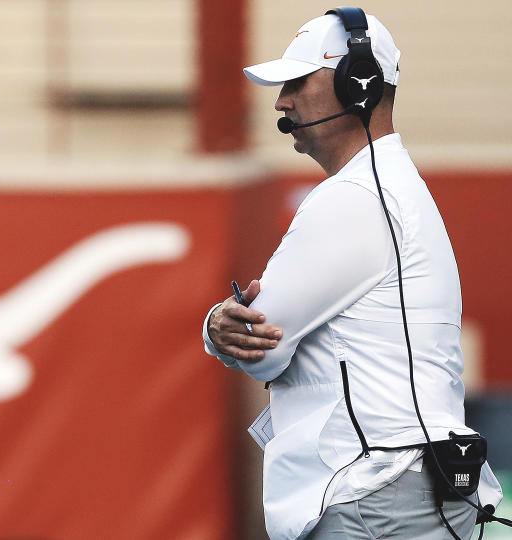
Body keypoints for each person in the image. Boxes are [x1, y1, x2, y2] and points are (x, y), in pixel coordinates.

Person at [201, 9, 503, 540]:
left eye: (297, 82)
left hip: (377, 497)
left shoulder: (355, 197)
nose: (281, 101)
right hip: (404, 490)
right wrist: (222, 326)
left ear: (356, 84)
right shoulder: (386, 186)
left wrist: (217, 326)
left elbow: (260, 345)